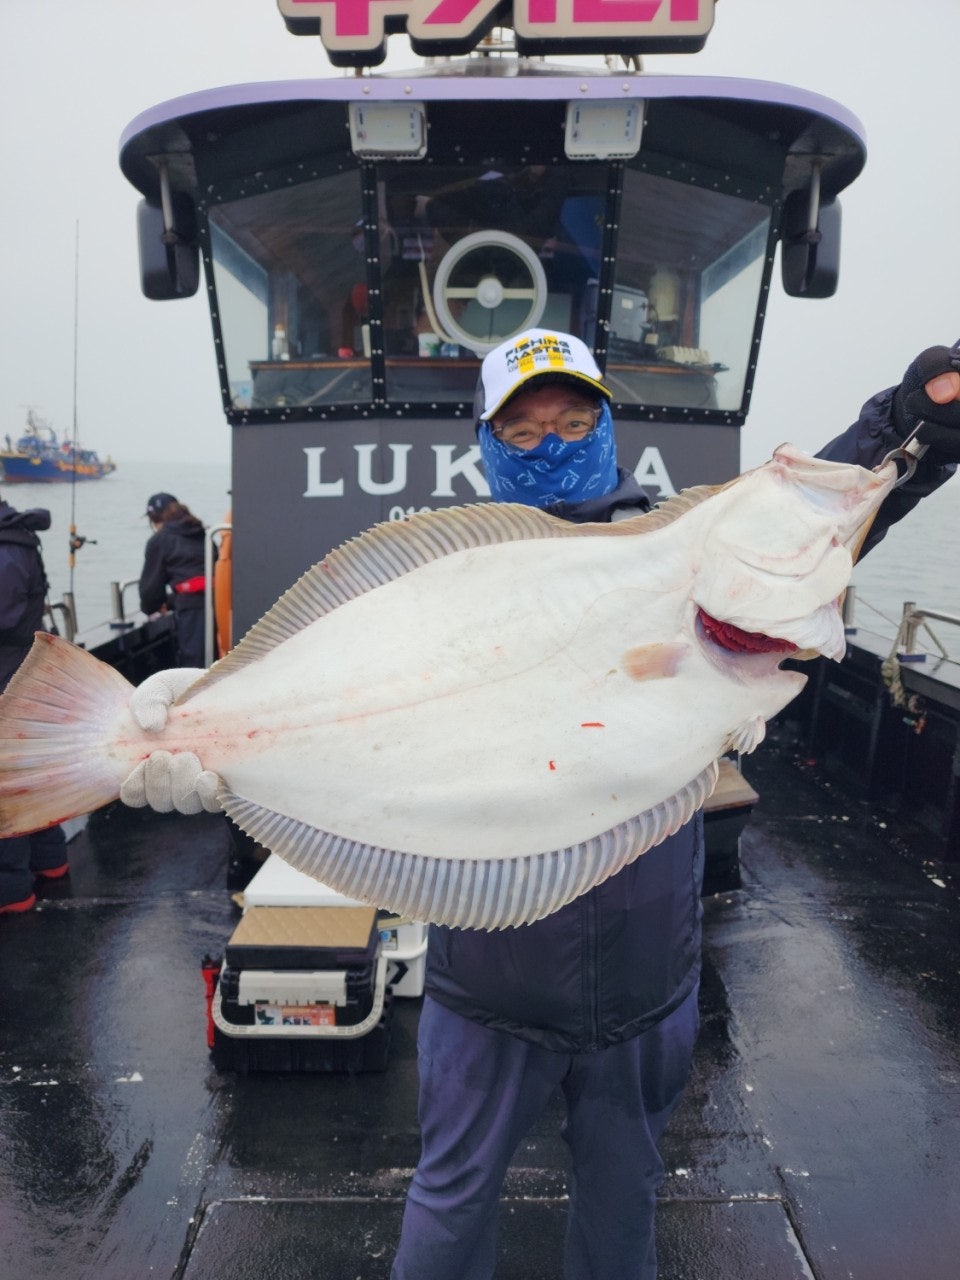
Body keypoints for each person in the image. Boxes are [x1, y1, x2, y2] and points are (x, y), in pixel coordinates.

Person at [117, 329, 960, 1277]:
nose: (551, 442)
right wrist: (204, 725)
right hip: (490, 985)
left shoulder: (677, 547)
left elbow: (823, 508)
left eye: (574, 419)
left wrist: (914, 420)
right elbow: (350, 699)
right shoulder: (448, 584)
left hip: (647, 982)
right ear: (483, 444)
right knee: (450, 1195)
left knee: (624, 1197)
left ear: (610, 424)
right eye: (522, 432)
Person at [0, 494, 67, 914]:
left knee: (8, 781)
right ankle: (51, 863)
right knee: (31, 772)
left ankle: (11, 892)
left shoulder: (6, 551)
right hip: (23, 666)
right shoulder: (17, 541)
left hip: (8, 672)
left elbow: (4, 616)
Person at [139, 492, 214, 669]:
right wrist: (172, 601)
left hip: (192, 613)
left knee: (194, 668)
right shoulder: (202, 534)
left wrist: (152, 607)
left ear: (154, 519)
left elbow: (150, 592)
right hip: (218, 603)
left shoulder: (159, 540)